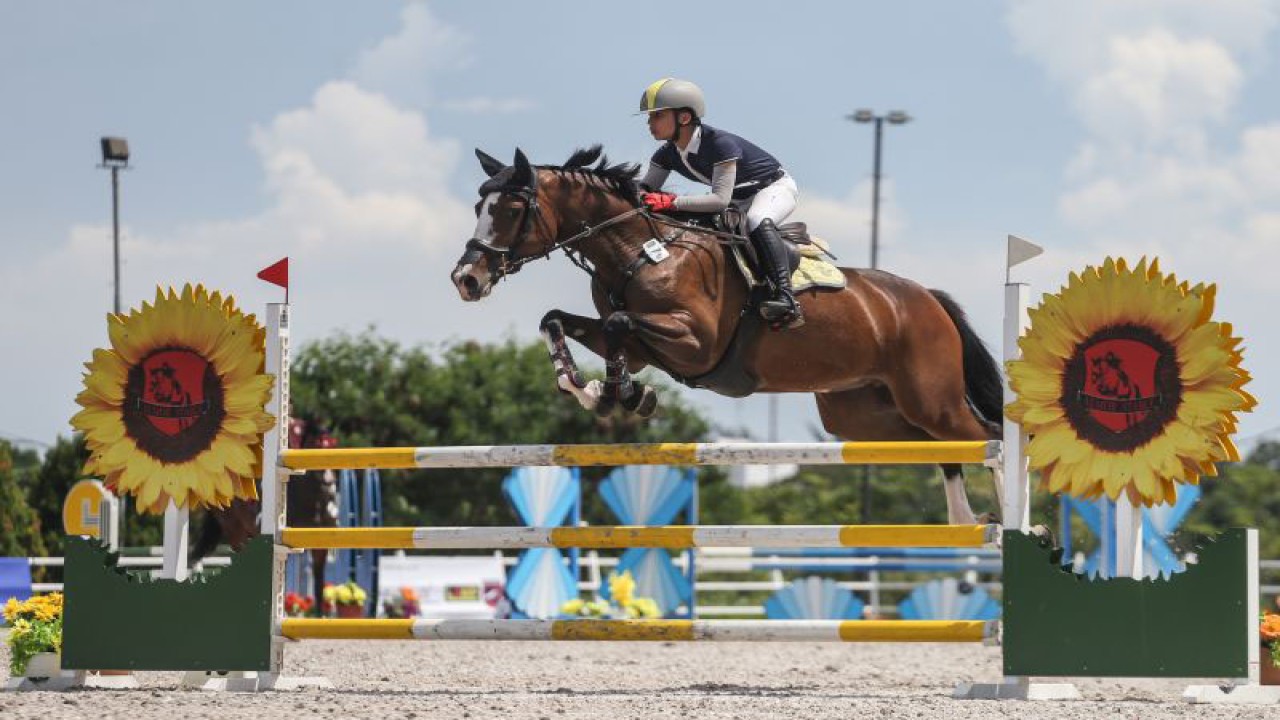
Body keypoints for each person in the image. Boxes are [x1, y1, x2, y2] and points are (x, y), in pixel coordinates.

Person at [636, 78, 804, 329]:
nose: (650, 123)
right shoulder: (666, 154)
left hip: (773, 188)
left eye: (657, 116)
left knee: (757, 220)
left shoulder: (719, 144)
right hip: (738, 200)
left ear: (683, 117)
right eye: (650, 117)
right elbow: (645, 190)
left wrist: (671, 202)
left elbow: (718, 200)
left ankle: (786, 297)